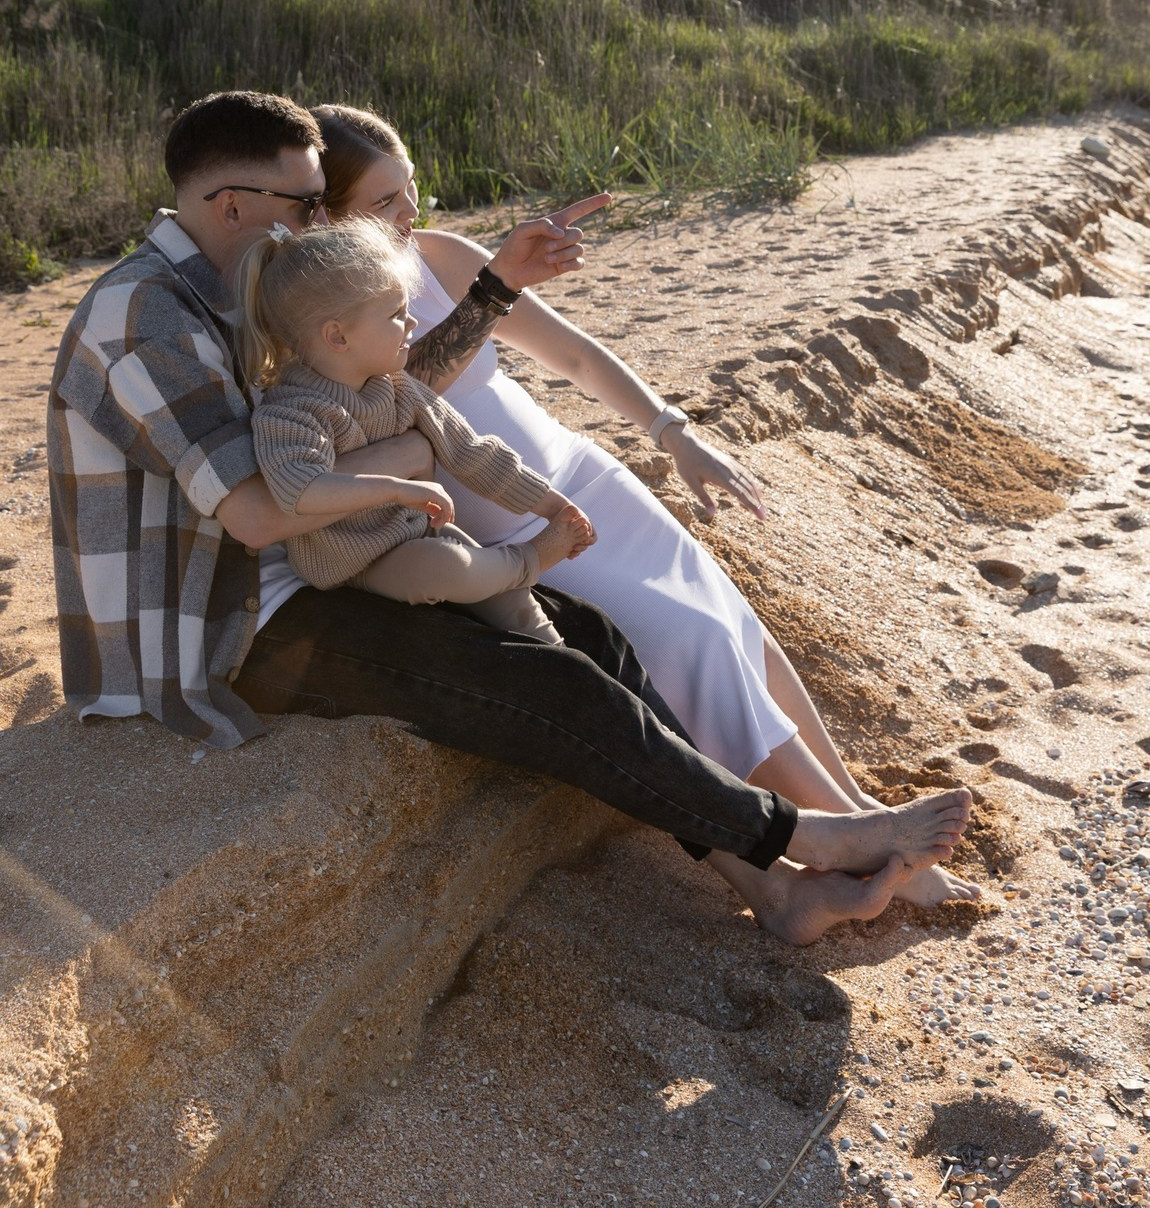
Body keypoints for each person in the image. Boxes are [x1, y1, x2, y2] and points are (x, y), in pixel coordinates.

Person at [48, 89, 972, 946]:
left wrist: (436, 426)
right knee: (545, 685)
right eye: (299, 201)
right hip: (225, 626)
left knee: (592, 639)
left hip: (315, 565)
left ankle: (774, 889)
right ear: (230, 204)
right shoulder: (145, 313)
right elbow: (258, 515)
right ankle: (801, 836)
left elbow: (371, 403)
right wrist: (417, 453)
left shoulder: (241, 283)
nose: (311, 218)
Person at [315, 103, 980, 909]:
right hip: (531, 523)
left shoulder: (441, 257)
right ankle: (845, 845)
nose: (408, 214)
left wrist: (675, 433)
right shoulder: (324, 320)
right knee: (693, 643)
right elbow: (402, 397)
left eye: (411, 189)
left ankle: (858, 811)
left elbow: (575, 355)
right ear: (325, 212)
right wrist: (497, 287)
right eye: (384, 203)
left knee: (735, 622)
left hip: (589, 475)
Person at [238, 215, 596, 645]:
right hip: (356, 562)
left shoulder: (397, 386)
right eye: (396, 314)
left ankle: (552, 649)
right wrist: (398, 489)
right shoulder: (290, 412)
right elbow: (301, 490)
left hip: (412, 529)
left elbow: (471, 452)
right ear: (337, 336)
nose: (412, 325)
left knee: (501, 592)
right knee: (451, 570)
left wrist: (554, 507)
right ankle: (529, 560)